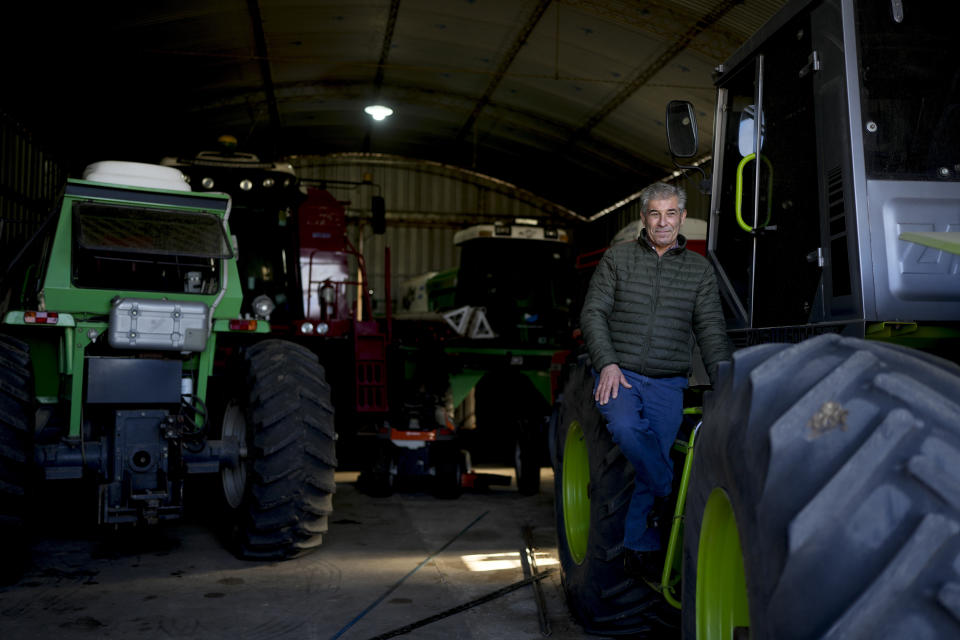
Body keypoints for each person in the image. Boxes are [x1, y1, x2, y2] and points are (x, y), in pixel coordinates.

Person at [579, 181, 731, 584]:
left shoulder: (698, 270)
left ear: (681, 218)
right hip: (621, 375)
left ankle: (639, 546)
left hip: (667, 382)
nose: (662, 222)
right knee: (629, 431)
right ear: (643, 218)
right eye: (654, 214)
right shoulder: (618, 259)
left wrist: (726, 381)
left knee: (655, 450)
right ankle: (667, 490)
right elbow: (593, 313)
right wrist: (607, 363)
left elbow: (711, 330)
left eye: (670, 214)